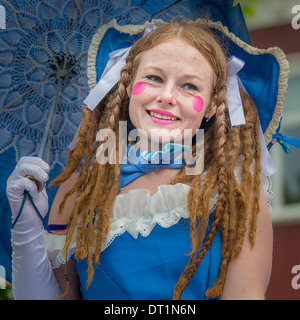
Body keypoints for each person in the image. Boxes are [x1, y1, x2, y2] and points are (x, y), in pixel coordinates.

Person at [6, 18, 289, 300]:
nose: (167, 96)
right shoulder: (78, 190)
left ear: (213, 105)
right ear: (128, 85)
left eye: (189, 86)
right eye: (154, 78)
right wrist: (26, 232)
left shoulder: (236, 182)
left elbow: (245, 294)